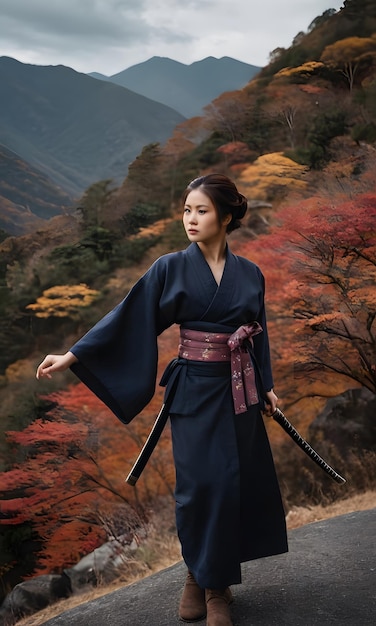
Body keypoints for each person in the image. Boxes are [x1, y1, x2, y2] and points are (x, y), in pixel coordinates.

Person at [36, 173, 288, 626]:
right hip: (193, 391)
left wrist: (266, 385)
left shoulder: (251, 273)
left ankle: (215, 588)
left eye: (202, 210)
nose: (190, 219)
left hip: (239, 391)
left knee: (231, 485)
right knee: (199, 489)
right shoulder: (169, 267)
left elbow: (257, 334)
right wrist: (73, 355)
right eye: (187, 210)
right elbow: (126, 317)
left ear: (226, 217)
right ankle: (200, 576)